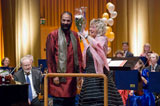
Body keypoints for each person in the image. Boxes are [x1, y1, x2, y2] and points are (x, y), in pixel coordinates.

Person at [78, 19, 123, 106]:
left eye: (93, 27)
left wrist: (87, 36)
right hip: (89, 76)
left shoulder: (102, 39)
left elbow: (97, 46)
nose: (90, 29)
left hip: (99, 77)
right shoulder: (92, 41)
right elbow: (89, 48)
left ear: (99, 29)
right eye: (90, 27)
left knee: (103, 100)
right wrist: (83, 38)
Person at [46, 11, 82, 106]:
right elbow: (50, 58)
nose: (66, 22)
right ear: (60, 20)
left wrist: (80, 74)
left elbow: (79, 55)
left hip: (72, 79)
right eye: (64, 20)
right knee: (59, 102)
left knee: (71, 102)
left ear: (71, 22)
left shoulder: (74, 35)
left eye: (68, 21)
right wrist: (54, 75)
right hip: (58, 78)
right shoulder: (53, 35)